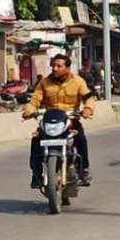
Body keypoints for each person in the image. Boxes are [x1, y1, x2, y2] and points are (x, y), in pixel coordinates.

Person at [22, 54, 96, 188]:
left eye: (59, 66)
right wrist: (29, 111)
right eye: (53, 66)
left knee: (80, 139)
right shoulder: (44, 82)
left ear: (67, 68)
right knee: (35, 142)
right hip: (49, 121)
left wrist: (88, 109)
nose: (55, 69)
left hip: (70, 120)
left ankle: (84, 169)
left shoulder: (78, 81)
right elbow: (34, 101)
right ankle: (36, 174)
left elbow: (89, 98)